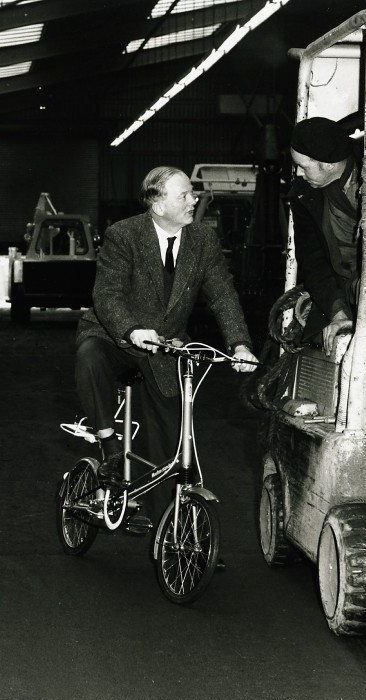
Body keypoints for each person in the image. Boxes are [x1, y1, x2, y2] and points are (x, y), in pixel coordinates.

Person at [74, 166, 258, 525]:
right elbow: (107, 294)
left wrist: (239, 344)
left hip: (166, 347)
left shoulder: (202, 240)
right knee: (89, 357)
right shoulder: (123, 234)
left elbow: (222, 294)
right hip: (115, 336)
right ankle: (110, 448)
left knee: (171, 444)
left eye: (192, 194)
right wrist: (131, 330)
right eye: (185, 195)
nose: (194, 200)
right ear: (158, 205)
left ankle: (172, 533)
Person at [287, 116, 366, 355]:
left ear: (328, 164)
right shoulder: (303, 197)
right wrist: (337, 312)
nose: (298, 173)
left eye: (303, 166)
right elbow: (313, 262)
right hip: (347, 291)